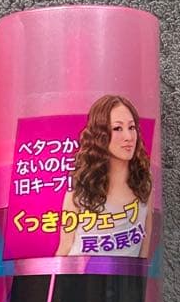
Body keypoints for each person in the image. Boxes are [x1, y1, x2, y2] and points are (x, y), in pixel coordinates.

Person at [57, 94, 153, 258]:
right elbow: (65, 247)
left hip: (128, 274)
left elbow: (146, 236)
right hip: (80, 273)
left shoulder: (144, 179)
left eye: (131, 127)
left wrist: (142, 272)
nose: (128, 137)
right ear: (100, 135)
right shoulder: (78, 193)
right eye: (117, 128)